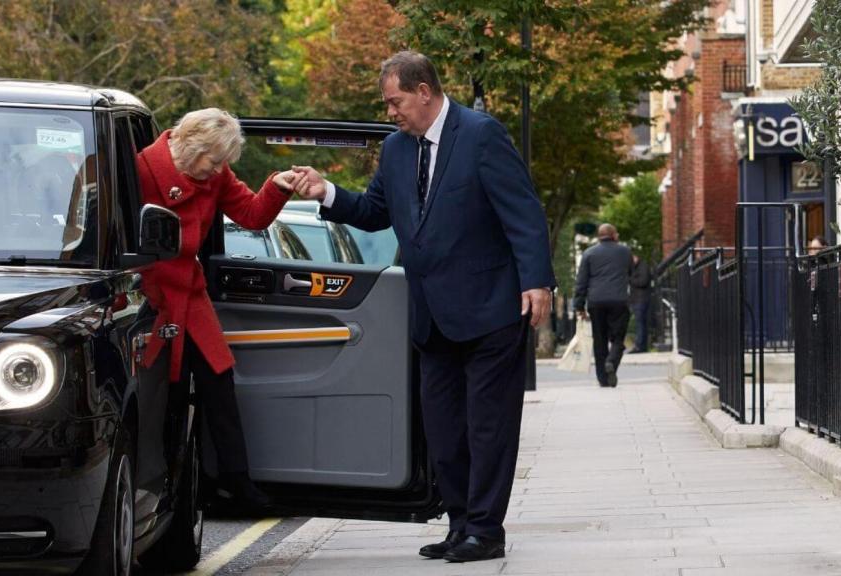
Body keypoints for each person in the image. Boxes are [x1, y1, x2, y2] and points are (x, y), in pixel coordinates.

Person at [292, 51, 555, 563]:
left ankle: (486, 530)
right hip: (432, 316)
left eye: (395, 101)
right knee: (443, 429)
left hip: (491, 308)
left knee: (488, 427)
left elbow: (523, 211)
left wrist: (538, 281)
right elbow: (373, 213)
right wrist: (326, 192)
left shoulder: (480, 134)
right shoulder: (395, 150)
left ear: (424, 92)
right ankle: (460, 525)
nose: (390, 112)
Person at [136, 108, 302, 508]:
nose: (216, 172)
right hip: (150, 297)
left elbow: (251, 214)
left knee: (218, 383)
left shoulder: (214, 174)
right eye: (213, 162)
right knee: (166, 395)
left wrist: (277, 186)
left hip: (189, 296)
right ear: (192, 143)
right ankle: (177, 489)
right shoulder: (141, 169)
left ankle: (234, 479)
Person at [573, 224, 633, 387]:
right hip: (619, 301)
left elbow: (581, 282)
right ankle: (612, 362)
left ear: (599, 236)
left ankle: (603, 379)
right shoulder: (625, 252)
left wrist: (579, 306)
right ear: (613, 235)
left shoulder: (589, 253)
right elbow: (630, 273)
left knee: (599, 340)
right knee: (618, 338)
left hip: (596, 302)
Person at [629, 254, 652, 353]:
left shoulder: (643, 266)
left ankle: (640, 346)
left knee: (640, 323)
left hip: (641, 299)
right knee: (641, 323)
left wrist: (630, 279)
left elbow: (643, 281)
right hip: (636, 299)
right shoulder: (634, 268)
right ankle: (642, 346)